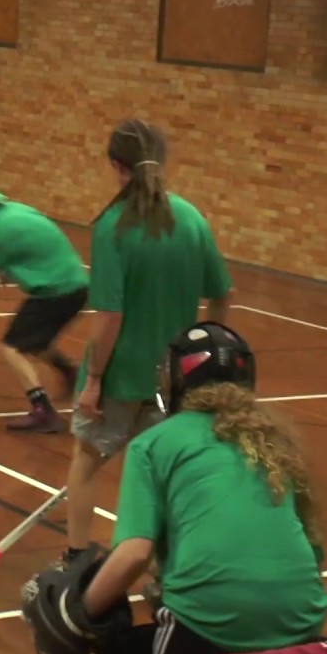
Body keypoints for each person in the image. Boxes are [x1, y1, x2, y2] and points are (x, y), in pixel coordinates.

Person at [20, 322, 327, 654]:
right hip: (302, 625)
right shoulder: (276, 443)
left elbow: (134, 555)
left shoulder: (154, 443)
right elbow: (312, 554)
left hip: (210, 624)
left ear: (176, 381)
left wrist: (77, 613)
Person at [62, 119, 234, 568]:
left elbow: (111, 316)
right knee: (161, 475)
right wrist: (207, 353)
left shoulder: (113, 227)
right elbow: (222, 292)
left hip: (121, 371)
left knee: (85, 461)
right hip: (175, 376)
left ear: (116, 166)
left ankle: (77, 559)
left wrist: (94, 379)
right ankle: (165, 571)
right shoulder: (191, 218)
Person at [0, 172, 88, 433]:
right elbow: (31, 250)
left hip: (55, 291)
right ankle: (68, 371)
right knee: (34, 341)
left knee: (12, 348)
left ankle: (43, 412)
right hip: (79, 286)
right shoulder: (17, 211)